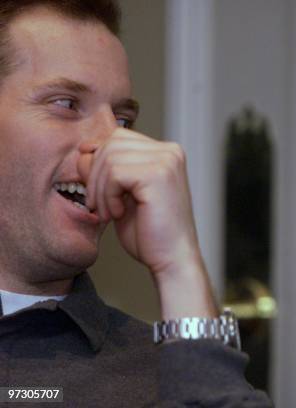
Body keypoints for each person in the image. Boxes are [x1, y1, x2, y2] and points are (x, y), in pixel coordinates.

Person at [0, 0, 272, 406]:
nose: (114, 142)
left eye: (123, 120)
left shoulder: (165, 378)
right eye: (67, 104)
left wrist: (179, 266)